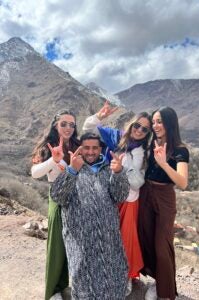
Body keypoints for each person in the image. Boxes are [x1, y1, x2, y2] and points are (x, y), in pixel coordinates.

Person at [50, 132, 130, 300]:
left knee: (113, 282)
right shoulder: (72, 168)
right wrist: (72, 170)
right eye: (86, 148)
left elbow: (120, 195)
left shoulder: (108, 169)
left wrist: (118, 173)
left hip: (109, 241)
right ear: (80, 148)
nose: (91, 152)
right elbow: (57, 196)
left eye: (95, 148)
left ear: (101, 149)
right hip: (81, 243)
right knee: (84, 285)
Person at [82, 102, 152, 296]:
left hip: (128, 200)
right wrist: (99, 115)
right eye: (137, 125)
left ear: (147, 133)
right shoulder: (115, 137)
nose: (139, 130)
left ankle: (126, 276)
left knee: (125, 240)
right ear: (132, 123)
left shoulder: (142, 152)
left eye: (145, 129)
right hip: (109, 196)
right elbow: (88, 128)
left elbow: (138, 182)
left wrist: (123, 168)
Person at [138, 106, 189, 300]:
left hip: (165, 196)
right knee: (147, 237)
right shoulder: (152, 142)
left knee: (162, 244)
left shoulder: (180, 150)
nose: (155, 125)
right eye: (154, 122)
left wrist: (164, 164)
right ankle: (156, 281)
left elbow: (182, 182)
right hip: (146, 192)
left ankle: (166, 292)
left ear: (169, 123)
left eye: (159, 121)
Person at [31, 109, 80, 300]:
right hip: (58, 199)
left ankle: (68, 284)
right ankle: (53, 291)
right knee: (57, 245)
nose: (68, 128)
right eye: (64, 124)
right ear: (55, 125)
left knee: (75, 244)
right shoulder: (48, 146)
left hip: (77, 198)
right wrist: (54, 160)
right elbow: (35, 173)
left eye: (72, 124)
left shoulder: (77, 145)